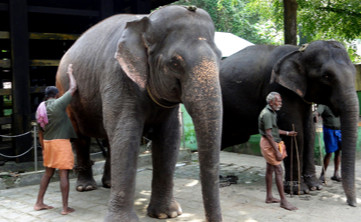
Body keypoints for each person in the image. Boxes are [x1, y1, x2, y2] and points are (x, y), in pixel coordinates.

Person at [34, 64, 77, 215]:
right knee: (63, 174)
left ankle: (39, 202)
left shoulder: (41, 108)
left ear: (46, 96)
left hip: (48, 144)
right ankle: (65, 208)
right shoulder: (59, 104)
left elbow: (40, 131)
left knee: (48, 173)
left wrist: (43, 148)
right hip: (61, 144)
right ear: (57, 95)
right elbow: (73, 88)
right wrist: (70, 73)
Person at [258, 92, 298, 211]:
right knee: (279, 170)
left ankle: (269, 197)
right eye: (278, 101)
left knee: (270, 169)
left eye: (280, 101)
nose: (280, 103)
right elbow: (269, 135)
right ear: (271, 102)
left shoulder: (271, 112)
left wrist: (287, 133)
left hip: (270, 142)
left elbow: (274, 130)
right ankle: (283, 201)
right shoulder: (267, 114)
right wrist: (277, 152)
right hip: (269, 144)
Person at [316, 104, 342, 183]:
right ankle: (323, 174)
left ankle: (336, 173)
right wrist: (316, 115)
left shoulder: (337, 102)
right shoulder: (323, 104)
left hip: (339, 130)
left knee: (338, 152)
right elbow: (317, 112)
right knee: (329, 153)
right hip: (329, 130)